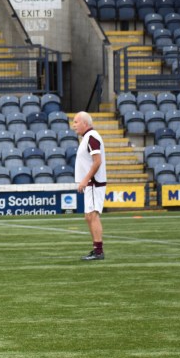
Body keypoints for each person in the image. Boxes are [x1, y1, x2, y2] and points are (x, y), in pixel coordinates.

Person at [72, 111, 106, 260]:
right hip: (90, 183)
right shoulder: (87, 138)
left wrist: (86, 179)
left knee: (92, 215)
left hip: (94, 182)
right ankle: (96, 249)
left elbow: (97, 161)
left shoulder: (92, 137)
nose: (73, 125)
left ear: (85, 123)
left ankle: (99, 251)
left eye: (76, 122)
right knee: (88, 216)